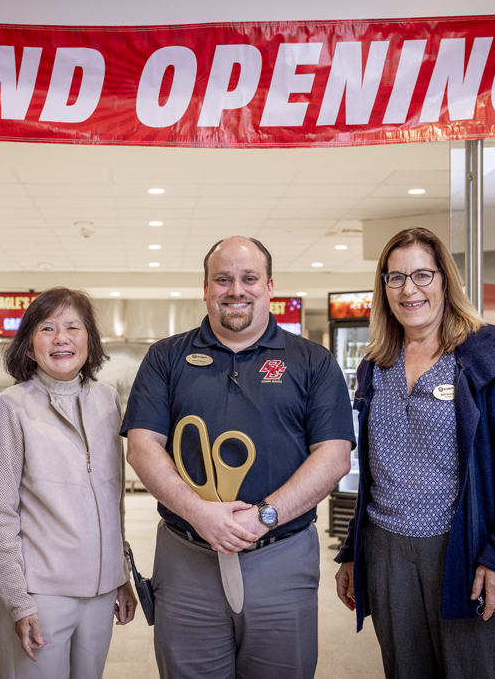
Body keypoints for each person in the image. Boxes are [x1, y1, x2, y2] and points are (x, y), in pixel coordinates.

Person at [122, 236, 356, 679]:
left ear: (270, 286)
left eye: (249, 279)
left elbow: (334, 456)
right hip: (187, 559)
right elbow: (142, 447)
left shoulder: (313, 362)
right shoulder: (165, 358)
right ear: (206, 288)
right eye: (223, 279)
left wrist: (264, 516)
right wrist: (200, 513)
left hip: (281, 557)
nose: (236, 290)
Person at [334, 227, 495, 678]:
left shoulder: (482, 355)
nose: (409, 289)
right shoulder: (375, 365)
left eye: (422, 275)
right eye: (396, 277)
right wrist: (353, 550)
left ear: (445, 279)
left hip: (464, 550)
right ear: (383, 287)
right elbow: (373, 471)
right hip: (386, 550)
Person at [0, 287, 137, 679]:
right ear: (30, 347)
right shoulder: (13, 405)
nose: (62, 338)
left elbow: (112, 499)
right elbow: (1, 514)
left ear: (89, 339)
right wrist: (19, 600)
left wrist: (120, 576)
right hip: (42, 592)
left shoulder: (105, 399)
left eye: (73, 326)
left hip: (101, 589)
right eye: (47, 329)